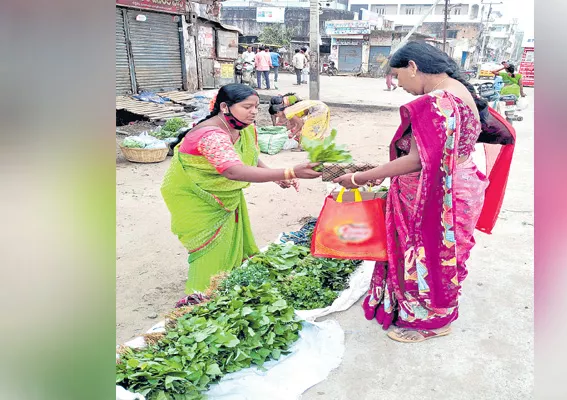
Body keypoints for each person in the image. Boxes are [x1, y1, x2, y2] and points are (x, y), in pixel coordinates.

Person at [333, 41, 511, 343]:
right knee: (448, 253)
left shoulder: (435, 101)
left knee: (426, 255)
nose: (398, 84)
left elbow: (416, 160)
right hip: (463, 183)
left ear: (413, 67)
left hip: (436, 192)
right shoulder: (460, 91)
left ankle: (432, 322)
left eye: (398, 76)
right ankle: (440, 310)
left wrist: (360, 177)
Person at [160, 84, 321, 294]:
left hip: (225, 197)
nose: (253, 112)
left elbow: (249, 156)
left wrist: (275, 177)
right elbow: (233, 171)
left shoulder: (243, 128)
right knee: (210, 251)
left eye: (256, 106)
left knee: (230, 247)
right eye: (247, 107)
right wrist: (289, 172)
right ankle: (200, 299)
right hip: (198, 198)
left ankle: (228, 286)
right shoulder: (211, 135)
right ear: (225, 107)